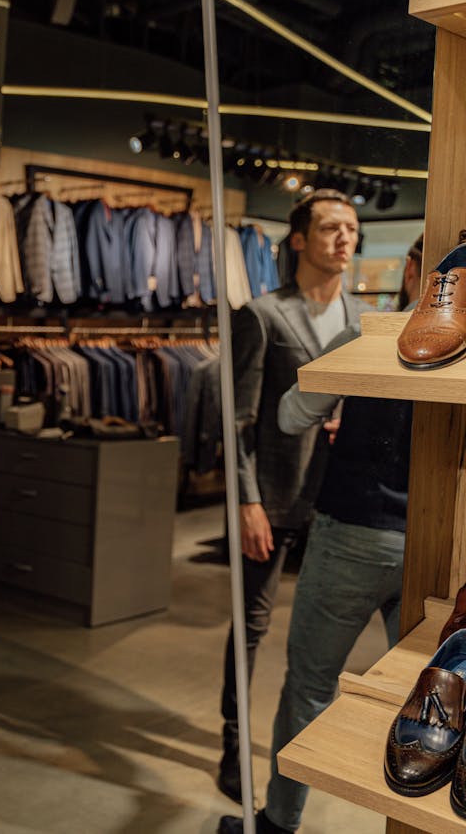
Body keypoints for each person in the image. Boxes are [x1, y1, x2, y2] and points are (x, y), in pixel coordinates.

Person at [218, 325, 413, 833]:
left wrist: (340, 402)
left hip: (354, 527)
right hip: (433, 543)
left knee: (310, 687)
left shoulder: (368, 335)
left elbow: (290, 414)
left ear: (415, 272)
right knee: (427, 705)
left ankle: (279, 823)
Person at [218, 189, 368, 801]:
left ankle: (304, 749)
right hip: (275, 497)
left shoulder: (364, 320)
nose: (344, 239)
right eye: (331, 228)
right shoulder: (263, 314)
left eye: (353, 229)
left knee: (317, 639)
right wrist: (247, 500)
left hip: (338, 501)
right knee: (251, 625)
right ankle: (234, 743)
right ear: (301, 239)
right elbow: (237, 420)